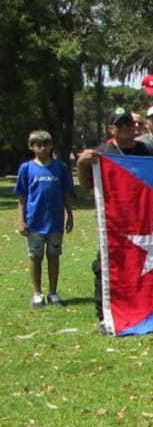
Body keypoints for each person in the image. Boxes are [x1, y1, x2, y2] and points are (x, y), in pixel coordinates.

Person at [78, 107, 153, 322]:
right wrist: (82, 164)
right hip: (113, 220)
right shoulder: (102, 152)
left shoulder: (145, 151)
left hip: (143, 219)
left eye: (128, 124)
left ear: (135, 127)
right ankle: (104, 312)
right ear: (111, 128)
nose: (125, 128)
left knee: (142, 262)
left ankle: (143, 305)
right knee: (106, 263)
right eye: (120, 124)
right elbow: (87, 186)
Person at [15, 130, 74, 308]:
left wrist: (70, 214)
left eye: (46, 144)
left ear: (51, 146)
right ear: (31, 146)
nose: (42, 148)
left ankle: (53, 292)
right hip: (34, 222)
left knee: (54, 256)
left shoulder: (60, 168)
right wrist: (21, 219)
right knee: (35, 256)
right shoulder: (26, 168)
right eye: (38, 145)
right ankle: (37, 293)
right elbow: (22, 197)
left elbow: (65, 193)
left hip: (55, 221)